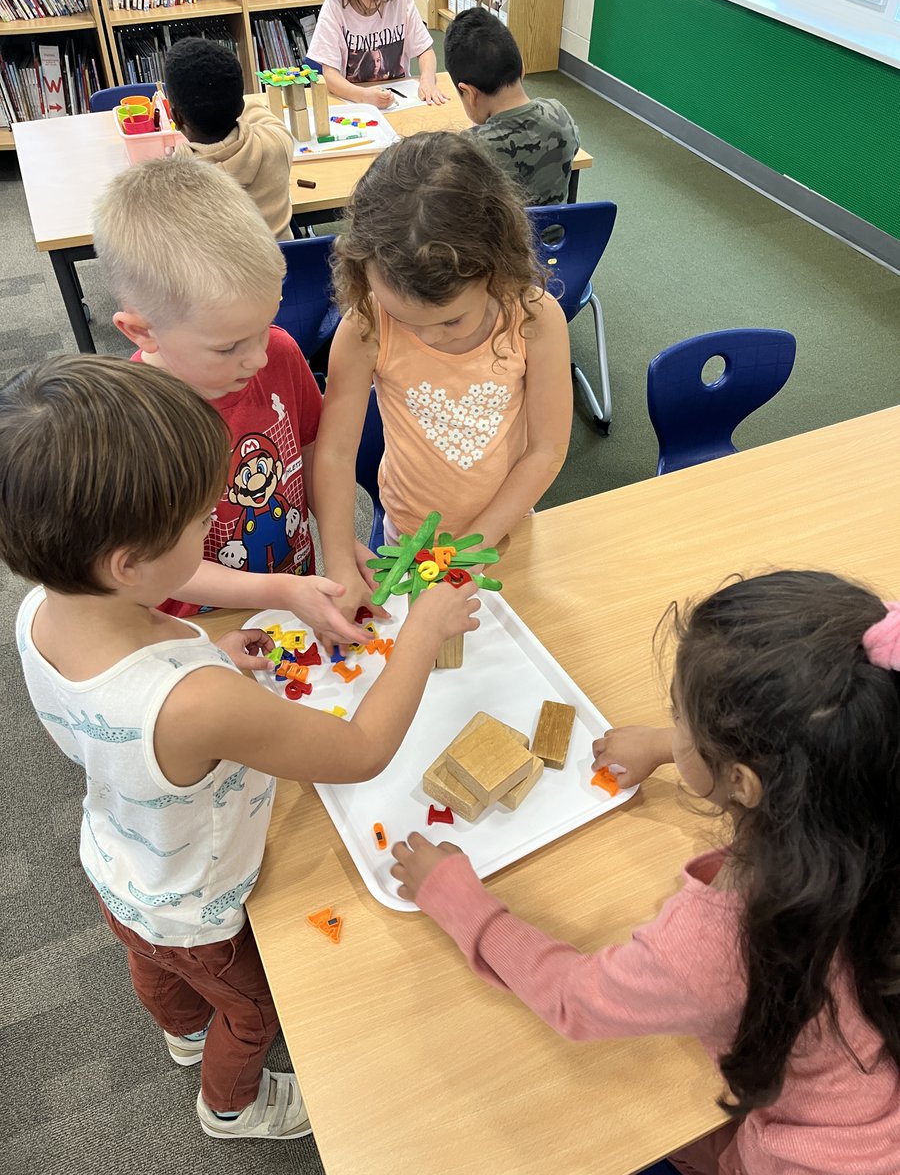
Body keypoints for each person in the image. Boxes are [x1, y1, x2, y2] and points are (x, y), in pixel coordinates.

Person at [1, 355, 480, 1142]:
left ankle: (182, 1031)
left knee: (154, 965)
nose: (212, 530)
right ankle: (231, 1107)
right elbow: (360, 750)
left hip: (119, 862)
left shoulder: (45, 612)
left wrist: (216, 653)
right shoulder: (197, 704)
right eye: (199, 524)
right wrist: (423, 630)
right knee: (250, 1012)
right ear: (129, 565)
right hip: (201, 900)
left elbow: (120, 712)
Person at [391, 570, 900, 1174]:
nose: (675, 727)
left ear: (742, 780)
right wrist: (668, 746)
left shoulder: (715, 942)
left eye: (679, 718)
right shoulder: (874, 769)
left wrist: (462, 903)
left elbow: (574, 1000)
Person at [92, 156, 373, 653]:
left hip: (292, 596)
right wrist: (280, 590)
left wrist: (339, 546)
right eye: (228, 348)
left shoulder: (280, 355)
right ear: (141, 332)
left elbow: (312, 462)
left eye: (263, 327)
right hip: (196, 633)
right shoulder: (129, 426)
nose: (258, 356)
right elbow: (150, 571)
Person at [312, 130, 572, 646]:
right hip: (406, 539)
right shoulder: (366, 323)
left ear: (496, 270)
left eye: (449, 322)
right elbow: (336, 454)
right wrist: (340, 561)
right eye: (404, 318)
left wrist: (472, 546)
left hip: (504, 536)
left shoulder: (535, 319)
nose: (424, 336)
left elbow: (546, 450)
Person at [444, 8, 580, 206]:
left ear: (469, 93)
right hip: (558, 237)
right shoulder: (559, 114)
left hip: (504, 238)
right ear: (522, 69)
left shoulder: (471, 149)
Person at [164, 36, 295, 241]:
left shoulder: (173, 183)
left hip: (215, 274)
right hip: (282, 269)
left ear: (176, 117)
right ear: (240, 106)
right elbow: (255, 109)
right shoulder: (277, 141)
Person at [307, 0, 446, 108]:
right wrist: (362, 96)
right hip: (355, 103)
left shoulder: (402, 0)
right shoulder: (334, 8)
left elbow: (425, 51)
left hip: (401, 101)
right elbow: (330, 76)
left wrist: (427, 80)